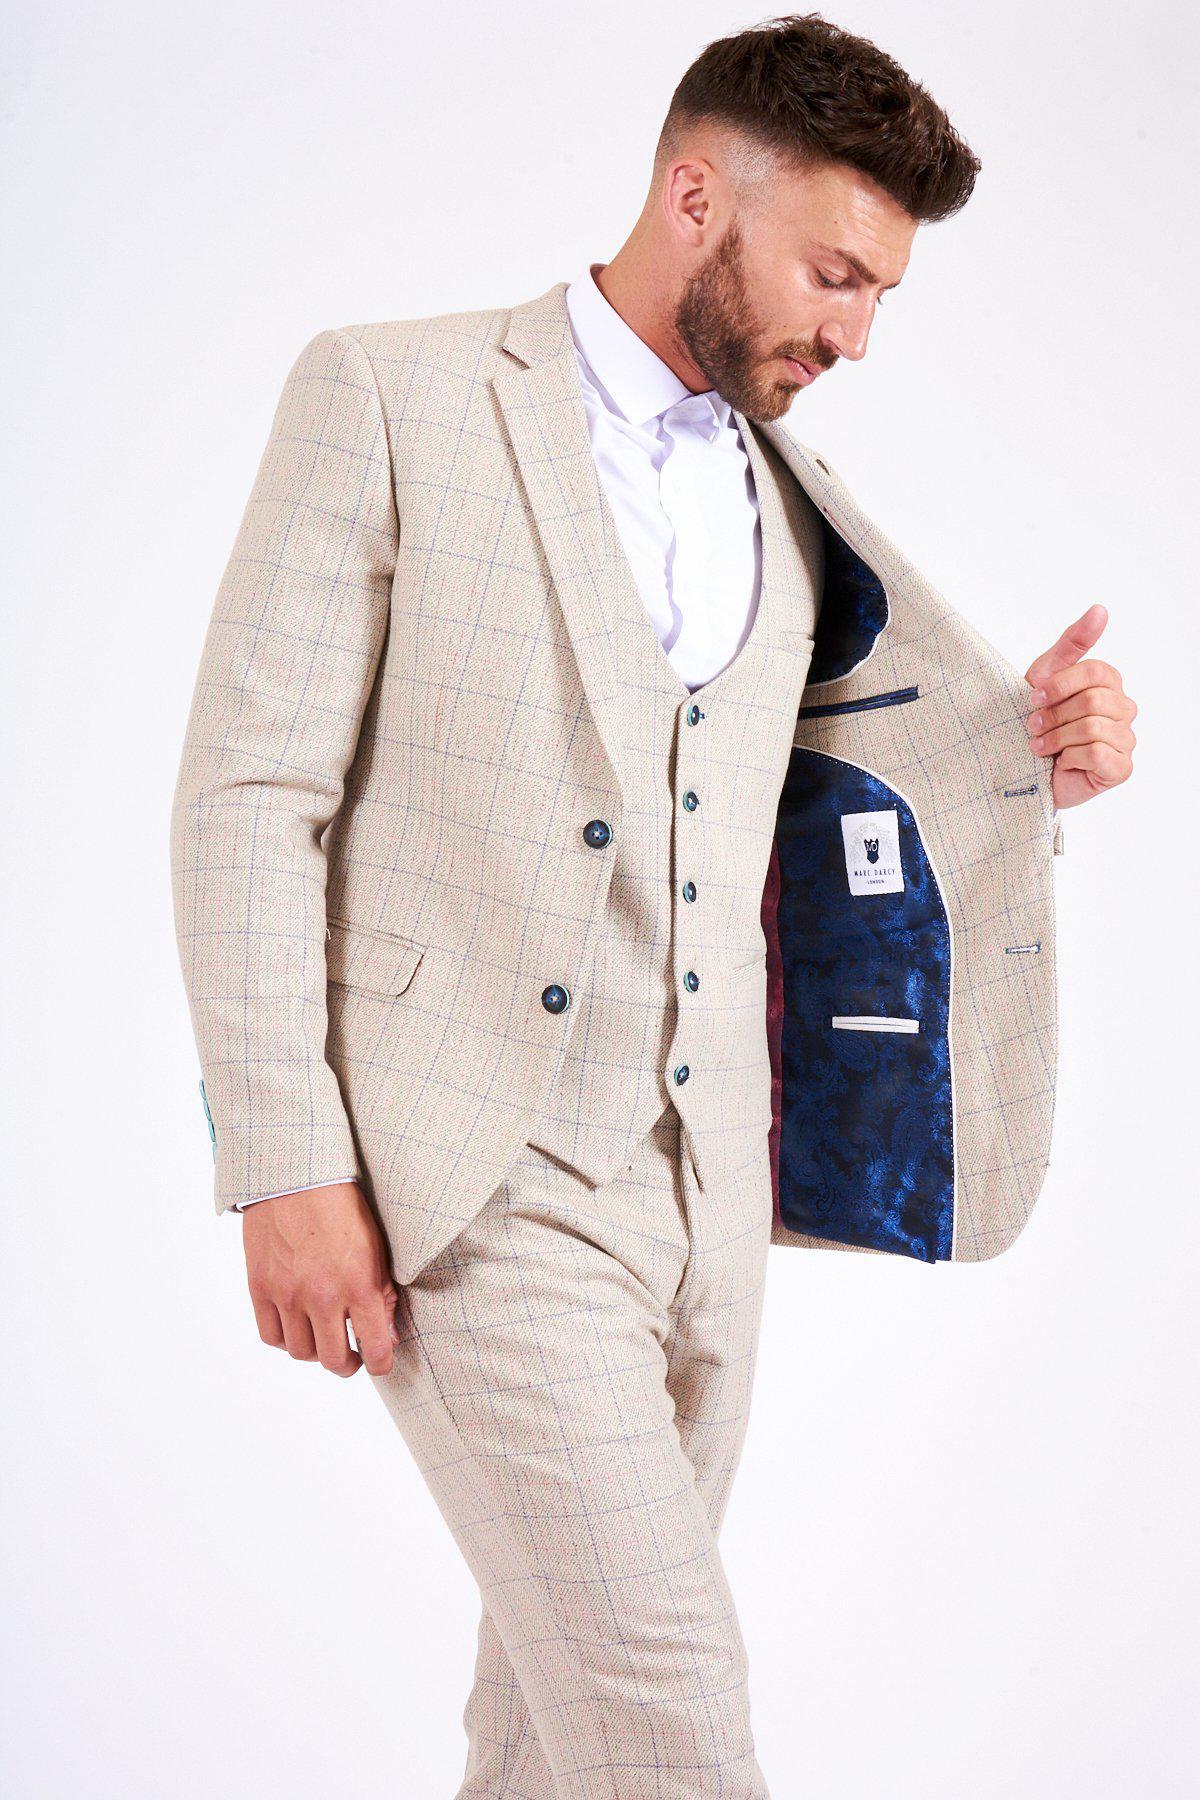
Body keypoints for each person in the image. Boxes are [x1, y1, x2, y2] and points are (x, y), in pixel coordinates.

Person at [169, 14, 1136, 1795]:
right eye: (835, 275)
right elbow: (249, 792)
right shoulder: (392, 394)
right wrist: (280, 1161)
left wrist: (1033, 775)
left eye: (882, 296)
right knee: (670, 1719)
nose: (856, 334)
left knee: (555, 1736)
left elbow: (809, 807)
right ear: (697, 199)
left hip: (710, 1201)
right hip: (476, 1175)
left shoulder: (790, 492)